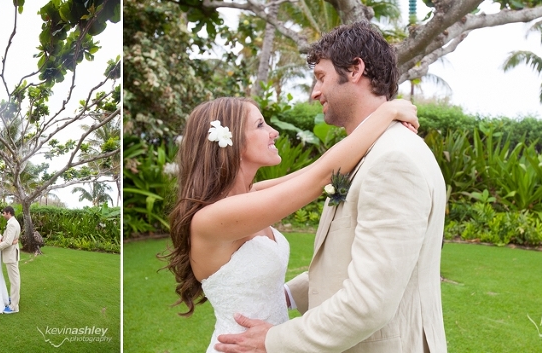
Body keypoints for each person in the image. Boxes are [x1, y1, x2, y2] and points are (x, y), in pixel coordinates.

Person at [216, 22, 448, 353]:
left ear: (355, 69)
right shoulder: (368, 153)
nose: (314, 92)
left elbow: (368, 303)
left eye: (321, 77)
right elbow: (350, 261)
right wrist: (284, 296)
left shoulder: (392, 161)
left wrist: (273, 339)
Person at [163, 95, 419, 352]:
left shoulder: (249, 196)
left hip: (268, 342)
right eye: (260, 125)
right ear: (232, 142)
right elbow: (320, 177)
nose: (273, 132)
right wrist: (388, 111)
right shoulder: (214, 217)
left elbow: (315, 170)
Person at [0, 206, 21, 314]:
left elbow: (8, 242)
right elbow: (10, 240)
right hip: (12, 253)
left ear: (8, 213)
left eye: (4, 213)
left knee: (14, 281)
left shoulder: (12, 224)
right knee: (15, 279)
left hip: (11, 255)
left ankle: (14, 306)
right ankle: (14, 299)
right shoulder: (13, 222)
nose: (3, 215)